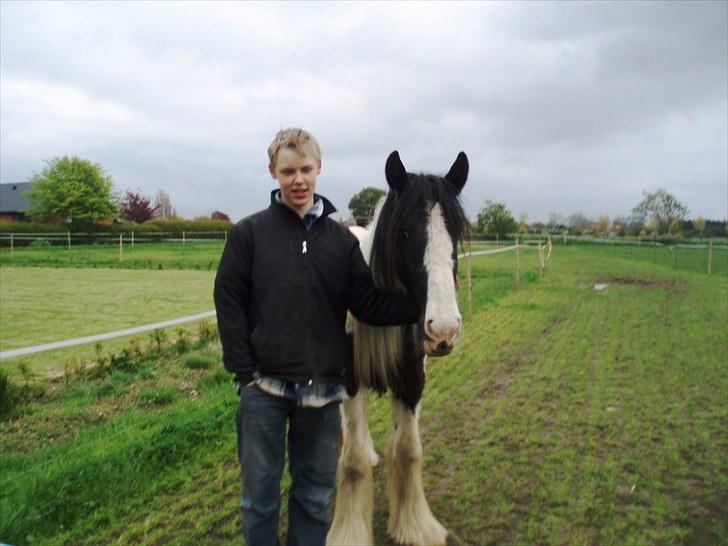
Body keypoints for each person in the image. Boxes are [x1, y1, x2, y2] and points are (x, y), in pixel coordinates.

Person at [214, 128, 420, 546]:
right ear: (273, 172)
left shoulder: (340, 242)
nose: (298, 179)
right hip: (264, 392)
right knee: (259, 501)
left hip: (324, 395)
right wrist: (245, 373)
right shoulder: (249, 235)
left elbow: (368, 305)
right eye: (288, 171)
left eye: (306, 169)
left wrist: (425, 307)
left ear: (319, 168)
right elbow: (228, 301)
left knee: (313, 498)